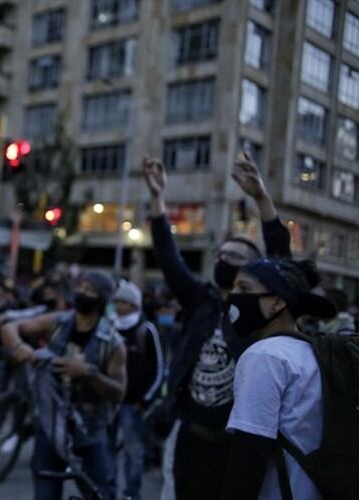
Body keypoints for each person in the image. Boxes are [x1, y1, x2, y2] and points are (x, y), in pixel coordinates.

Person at [142, 152, 292, 499]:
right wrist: (156, 197)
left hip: (233, 443)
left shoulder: (260, 313)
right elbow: (167, 255)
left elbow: (283, 260)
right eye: (221, 255)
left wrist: (261, 198)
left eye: (236, 256)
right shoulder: (200, 301)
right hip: (188, 435)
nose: (225, 259)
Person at [1, 271, 127, 500]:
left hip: (90, 432)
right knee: (45, 493)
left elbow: (118, 392)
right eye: (80, 287)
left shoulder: (113, 343)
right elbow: (10, 327)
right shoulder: (57, 322)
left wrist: (88, 373)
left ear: (102, 299)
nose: (82, 293)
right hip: (50, 428)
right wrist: (19, 347)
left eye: (90, 290)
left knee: (100, 494)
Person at [221, 258, 335, 499]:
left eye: (244, 288)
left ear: (277, 302)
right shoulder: (309, 350)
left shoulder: (264, 356)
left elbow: (249, 453)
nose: (233, 296)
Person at [108, 280, 163, 500]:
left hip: (134, 404)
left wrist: (146, 399)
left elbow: (159, 368)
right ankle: (107, 490)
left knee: (134, 453)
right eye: (117, 301)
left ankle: (132, 493)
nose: (120, 306)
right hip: (109, 401)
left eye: (125, 302)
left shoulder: (145, 330)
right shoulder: (109, 326)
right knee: (105, 449)